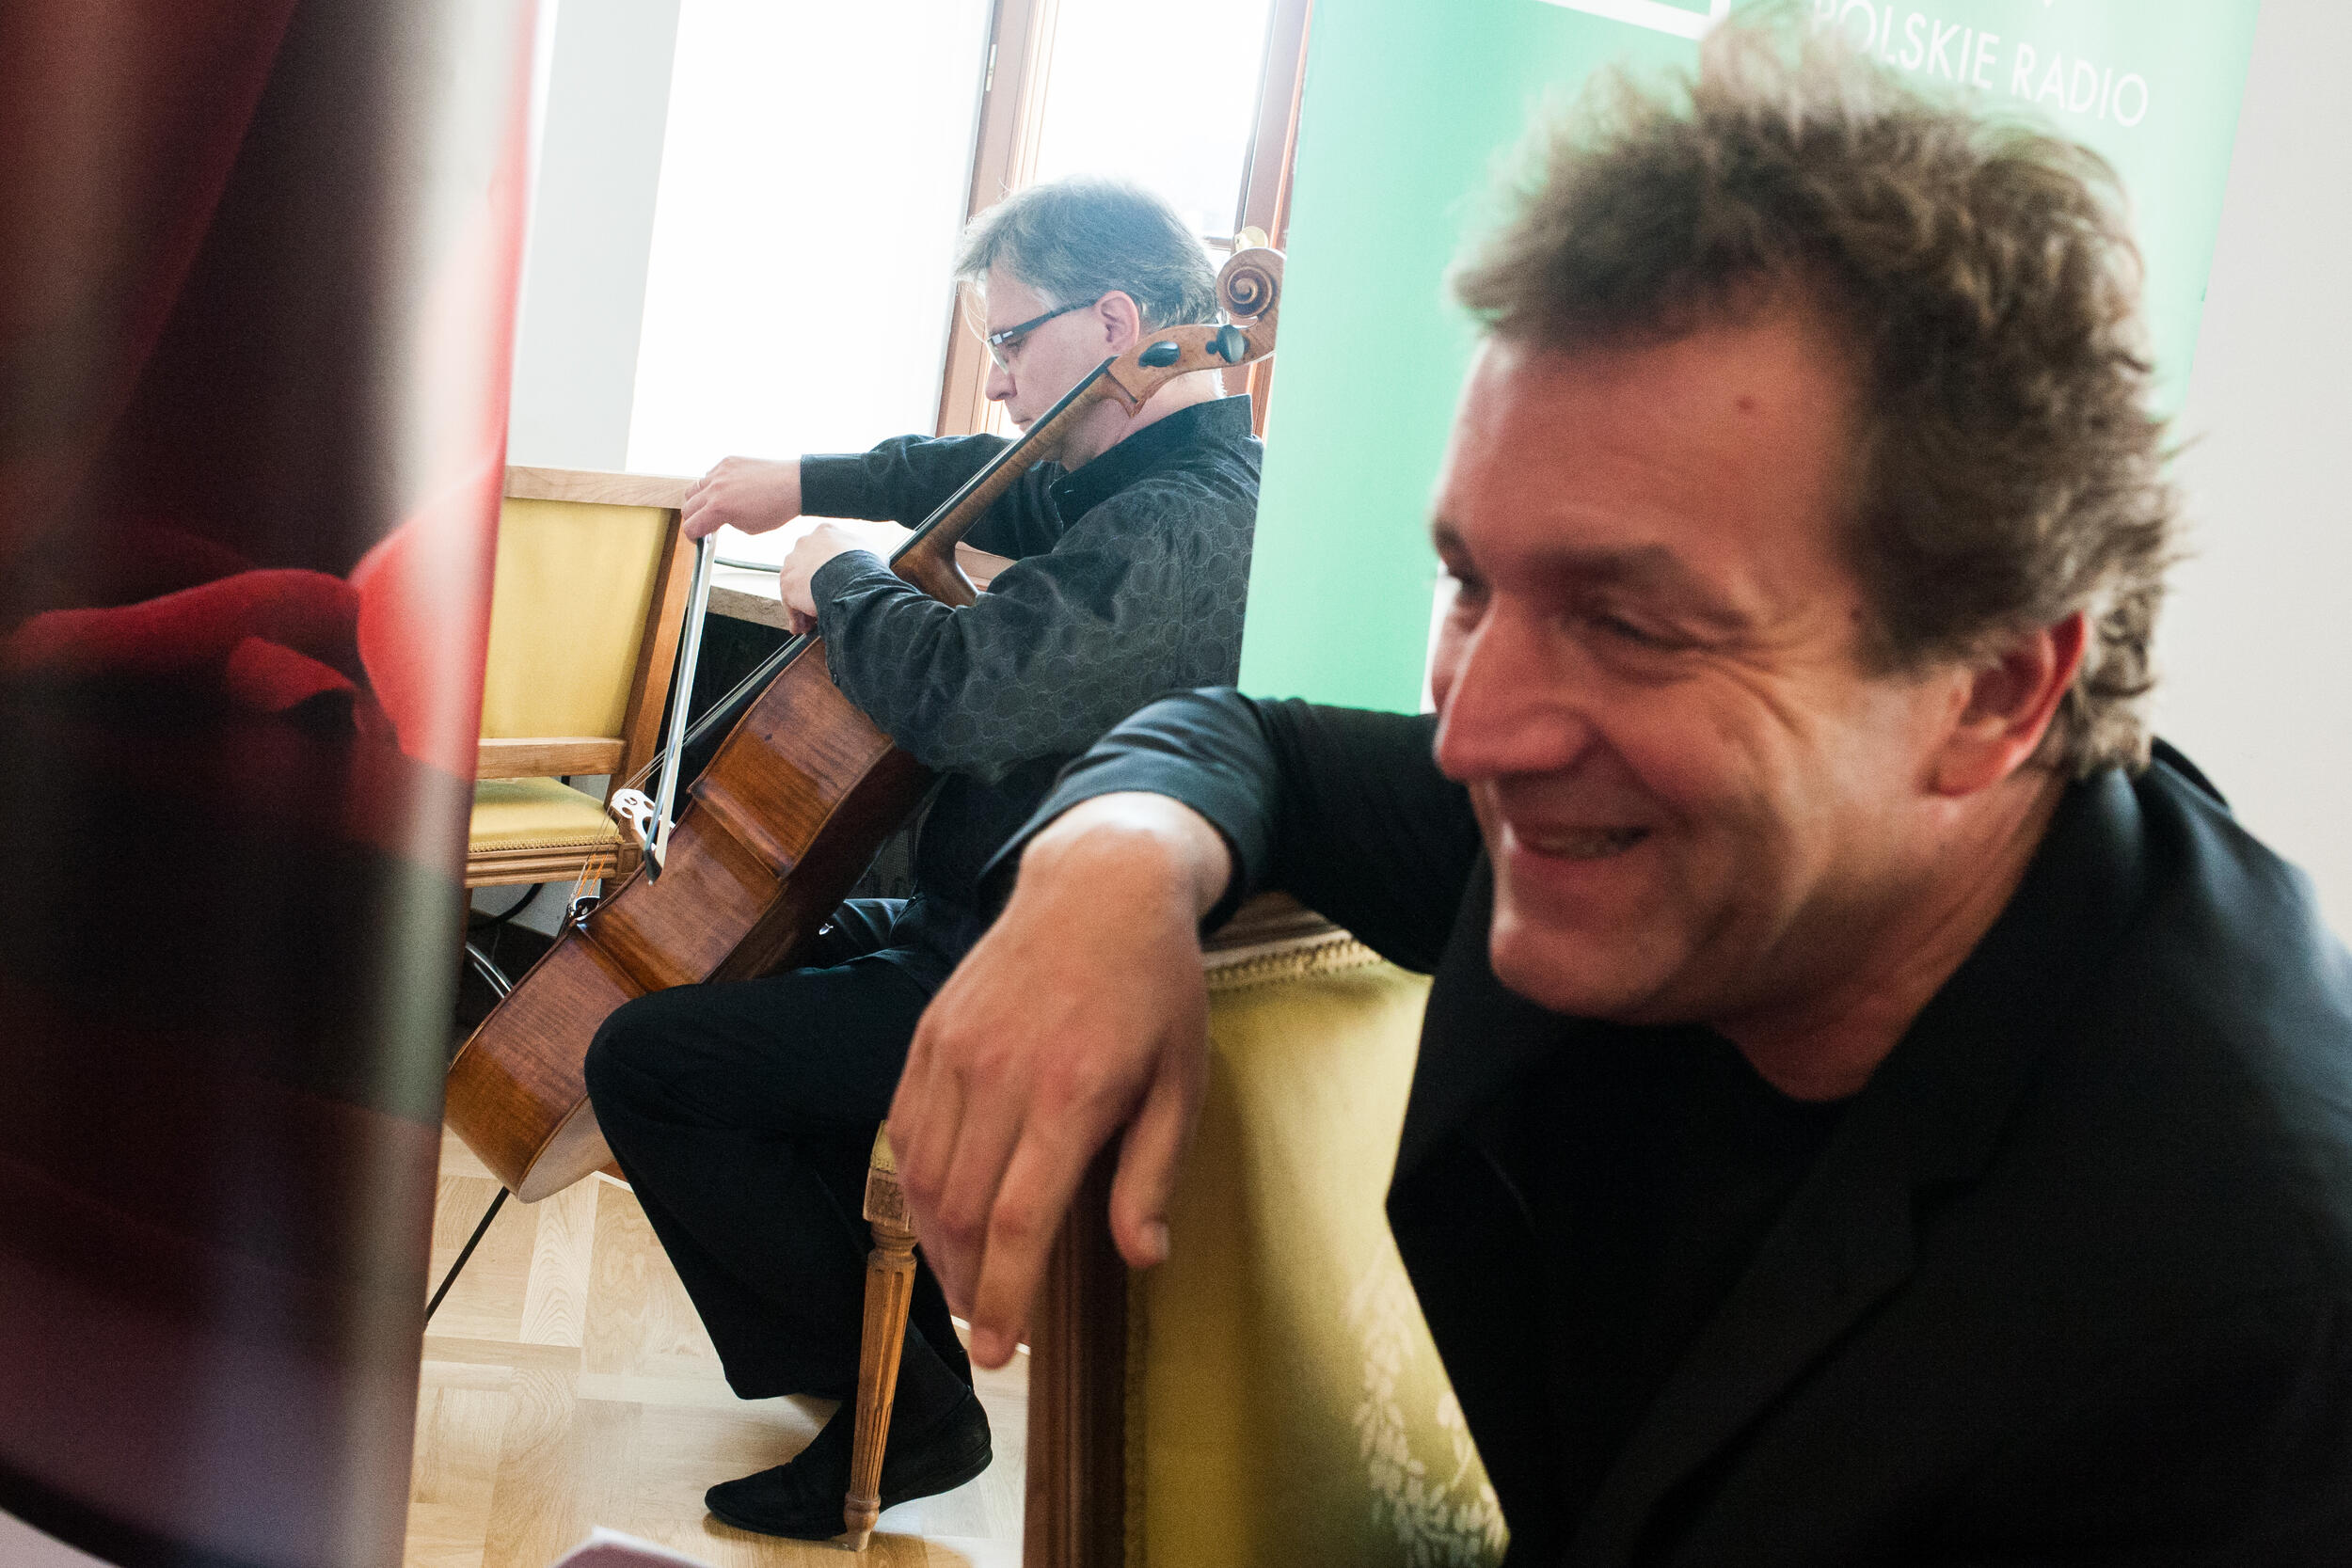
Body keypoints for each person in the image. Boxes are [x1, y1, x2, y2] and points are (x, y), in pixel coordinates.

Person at [887, 30, 2352, 1567]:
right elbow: (1257, 744)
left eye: (1632, 624)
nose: (1475, 735)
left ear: (1991, 689)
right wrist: (1107, 864)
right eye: (1470, 584)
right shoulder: (1680, 835)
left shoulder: (2246, 1343)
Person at [580, 178, 1262, 1539]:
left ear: (1113, 323)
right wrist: (805, 486)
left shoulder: (1183, 524)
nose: (998, 380)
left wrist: (843, 576)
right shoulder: (1127, 478)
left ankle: (916, 1411)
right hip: (974, 920)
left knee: (648, 1064)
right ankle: (881, 1374)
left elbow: (967, 695)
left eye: (1010, 340)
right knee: (733, 989)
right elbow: (967, 473)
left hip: (1043, 976)